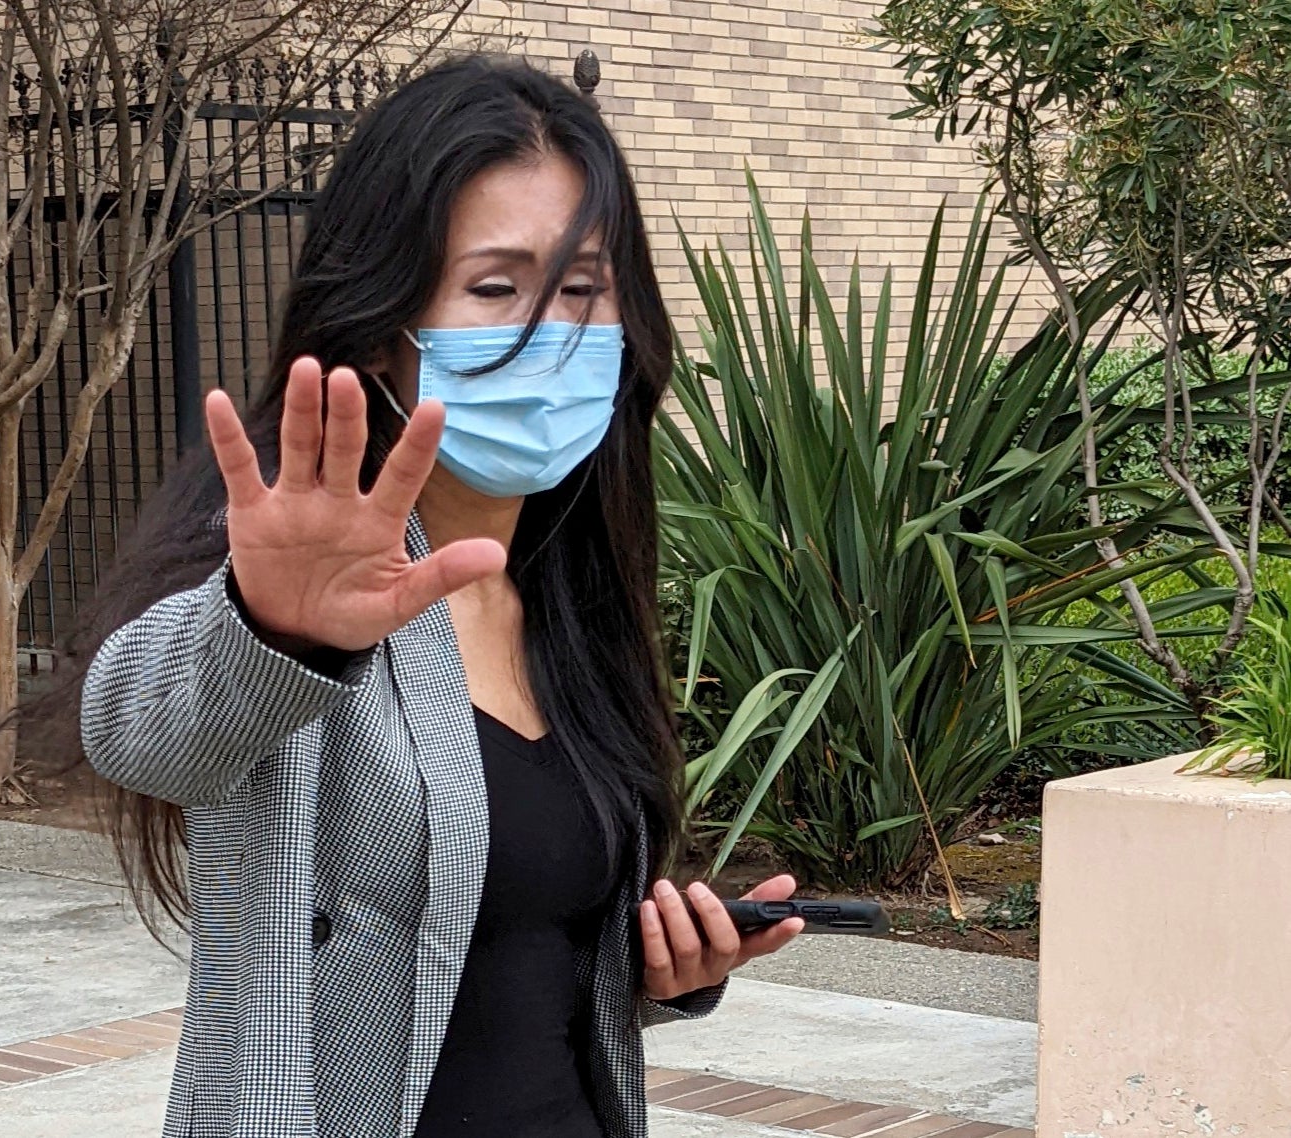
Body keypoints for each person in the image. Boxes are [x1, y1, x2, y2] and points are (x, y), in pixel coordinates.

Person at [55, 55, 803, 1138]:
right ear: (379, 322)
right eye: (497, 287)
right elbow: (141, 728)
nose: (551, 332)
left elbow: (508, 958)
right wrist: (278, 632)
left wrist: (667, 970)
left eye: (584, 289)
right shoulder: (298, 585)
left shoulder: (567, 595)